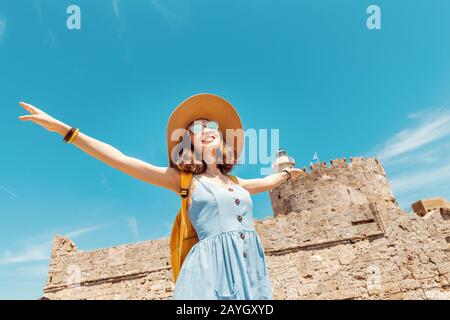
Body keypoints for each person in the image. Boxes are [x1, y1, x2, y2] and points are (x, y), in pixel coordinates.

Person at [18, 93, 306, 299]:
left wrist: (288, 174)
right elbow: (121, 159)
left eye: (212, 127)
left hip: (250, 272)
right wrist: (66, 130)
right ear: (188, 140)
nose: (206, 131)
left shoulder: (236, 182)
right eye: (197, 128)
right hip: (208, 275)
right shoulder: (184, 181)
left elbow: (270, 181)